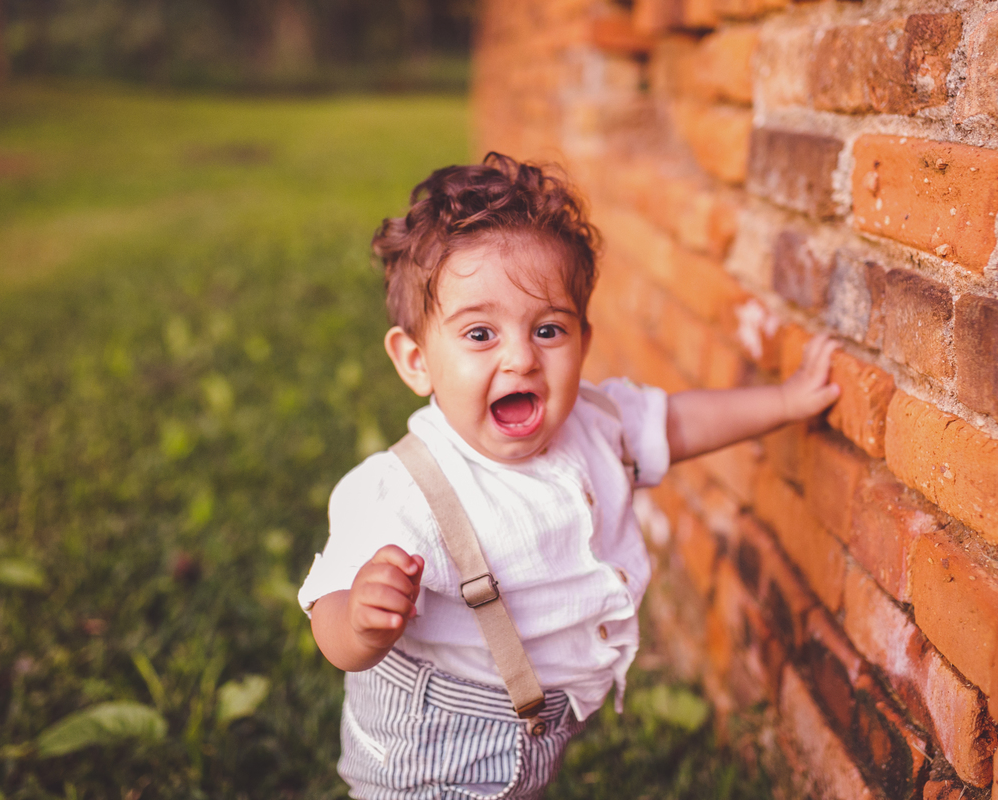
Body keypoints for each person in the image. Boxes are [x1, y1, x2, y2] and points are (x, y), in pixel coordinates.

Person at [297, 152, 840, 799]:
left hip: (533, 728)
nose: (522, 357)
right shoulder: (402, 490)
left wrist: (785, 402)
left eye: (548, 329)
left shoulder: (597, 421)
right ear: (416, 360)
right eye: (480, 334)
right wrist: (358, 622)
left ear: (584, 337)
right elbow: (328, 612)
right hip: (428, 748)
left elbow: (680, 425)